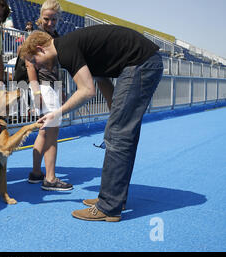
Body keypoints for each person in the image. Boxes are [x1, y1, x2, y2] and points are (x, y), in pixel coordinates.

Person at [19, 25, 163, 222]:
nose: (38, 68)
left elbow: (87, 91)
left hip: (141, 64)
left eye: (35, 62)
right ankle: (115, 199)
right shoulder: (76, 48)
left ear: (40, 49)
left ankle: (108, 206)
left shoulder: (66, 49)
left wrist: (56, 113)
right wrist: (115, 117)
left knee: (119, 136)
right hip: (141, 63)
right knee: (119, 132)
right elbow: (103, 82)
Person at [25, 0, 73, 191]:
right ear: (40, 17)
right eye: (47, 19)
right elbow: (30, 65)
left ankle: (37, 173)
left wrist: (60, 91)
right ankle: (50, 179)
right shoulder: (37, 36)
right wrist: (37, 92)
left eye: (54, 19)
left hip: (53, 87)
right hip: (44, 88)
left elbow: (56, 68)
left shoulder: (56, 36)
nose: (50, 23)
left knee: (44, 132)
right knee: (52, 134)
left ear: (59, 18)